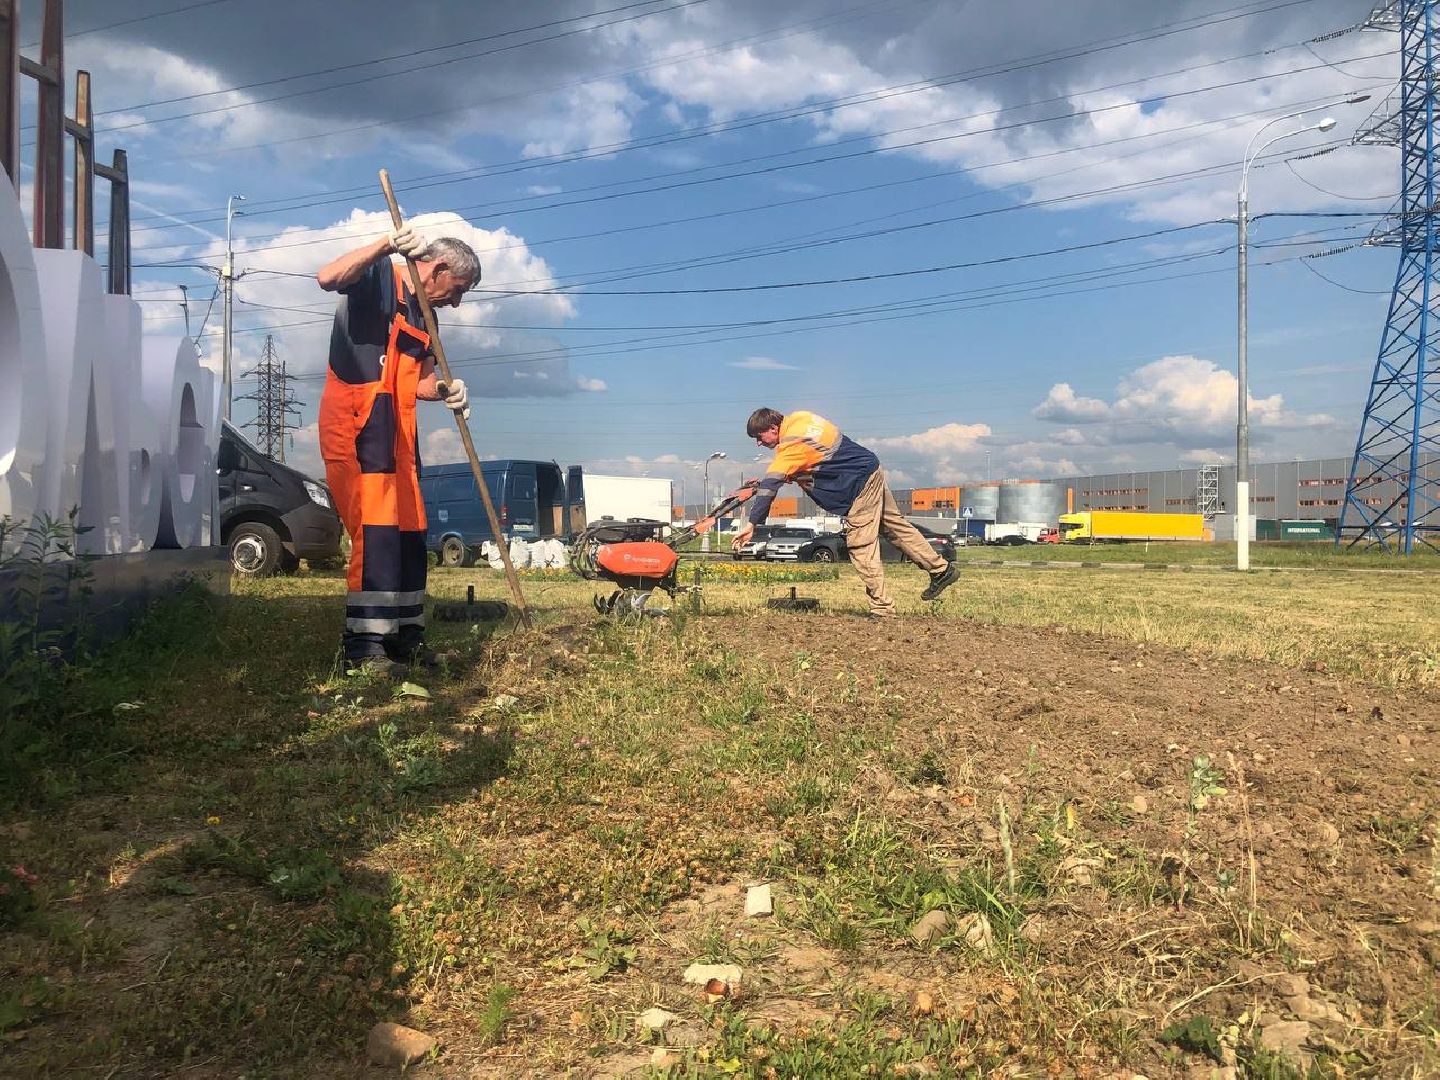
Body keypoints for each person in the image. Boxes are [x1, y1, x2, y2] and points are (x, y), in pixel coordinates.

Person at [316, 225, 479, 675]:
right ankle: (366, 647)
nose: (458, 301)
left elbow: (422, 381)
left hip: (400, 437)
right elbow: (327, 277)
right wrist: (385, 244)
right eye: (458, 290)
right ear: (439, 269)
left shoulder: (427, 317)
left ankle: (406, 638)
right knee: (377, 530)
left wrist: (446, 388)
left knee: (409, 532)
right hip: (358, 422)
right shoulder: (378, 276)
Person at [732, 407, 958, 617]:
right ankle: (940, 569)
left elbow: (772, 486)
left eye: (759, 438)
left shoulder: (790, 447)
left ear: (773, 429)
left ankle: (882, 609)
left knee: (861, 543)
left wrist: (753, 523)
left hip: (858, 486)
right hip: (870, 468)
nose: (759, 444)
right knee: (894, 527)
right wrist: (777, 477)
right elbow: (816, 457)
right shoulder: (802, 418)